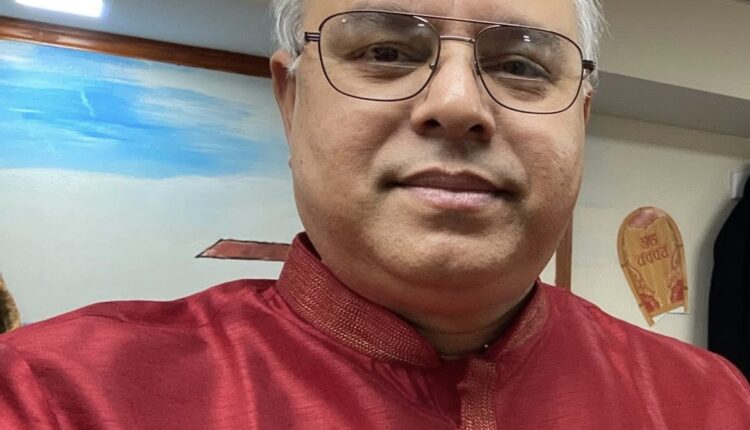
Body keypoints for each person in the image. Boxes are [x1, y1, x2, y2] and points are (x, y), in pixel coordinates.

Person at [2, 0, 749, 428]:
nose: (456, 104)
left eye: (522, 64)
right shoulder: (58, 396)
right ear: (290, 102)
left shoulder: (710, 404)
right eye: (387, 51)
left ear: (580, 120)